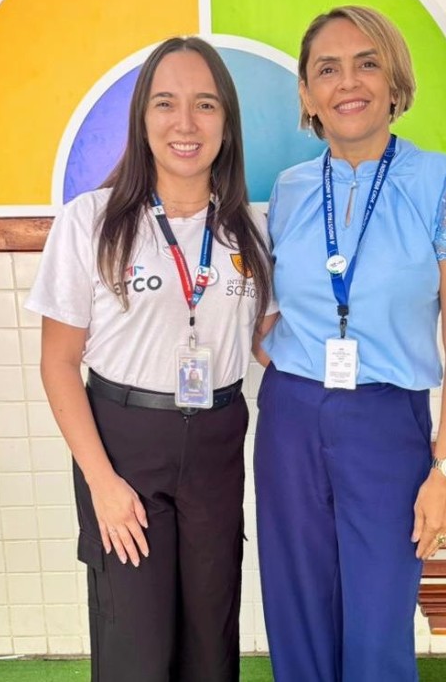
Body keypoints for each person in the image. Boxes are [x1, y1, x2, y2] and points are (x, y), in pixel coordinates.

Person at [253, 6, 446, 681]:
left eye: (366, 63)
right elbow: (275, 307)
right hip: (291, 417)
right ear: (308, 95)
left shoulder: (444, 184)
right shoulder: (291, 191)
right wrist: (276, 342)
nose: (347, 82)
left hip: (387, 422)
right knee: (297, 610)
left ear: (394, 82)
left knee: (377, 622)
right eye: (327, 69)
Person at [26, 36, 275, 682]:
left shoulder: (251, 228)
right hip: (124, 446)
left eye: (205, 104)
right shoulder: (91, 220)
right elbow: (59, 363)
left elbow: (269, 343)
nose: (185, 123)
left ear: (227, 123)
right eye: (166, 103)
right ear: (142, 118)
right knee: (135, 644)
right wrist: (102, 483)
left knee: (210, 639)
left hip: (217, 440)